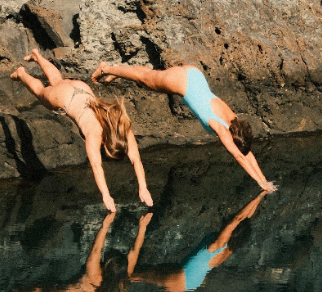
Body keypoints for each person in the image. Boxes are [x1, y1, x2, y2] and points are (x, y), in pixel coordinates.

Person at [91, 62, 276, 193]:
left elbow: (245, 152)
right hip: (180, 82)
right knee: (147, 78)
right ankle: (106, 68)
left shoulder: (234, 121)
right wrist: (260, 182)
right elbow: (238, 156)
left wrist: (264, 179)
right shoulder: (222, 129)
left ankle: (118, 71)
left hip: (194, 74)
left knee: (149, 76)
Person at [11, 49, 153, 211]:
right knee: (41, 92)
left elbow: (136, 159)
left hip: (81, 89)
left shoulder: (120, 124)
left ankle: (37, 57)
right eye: (105, 150)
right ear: (105, 143)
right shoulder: (95, 134)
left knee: (57, 79)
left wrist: (143, 187)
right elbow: (96, 166)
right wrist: (106, 195)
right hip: (64, 98)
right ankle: (22, 73)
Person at [129, 191, 266, 292]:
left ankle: (115, 283)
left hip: (182, 279)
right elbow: (246, 218)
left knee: (135, 275)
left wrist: (259, 195)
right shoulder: (230, 248)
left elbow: (237, 219)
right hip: (191, 281)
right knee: (145, 271)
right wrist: (262, 194)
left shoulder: (219, 244)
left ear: (233, 230)